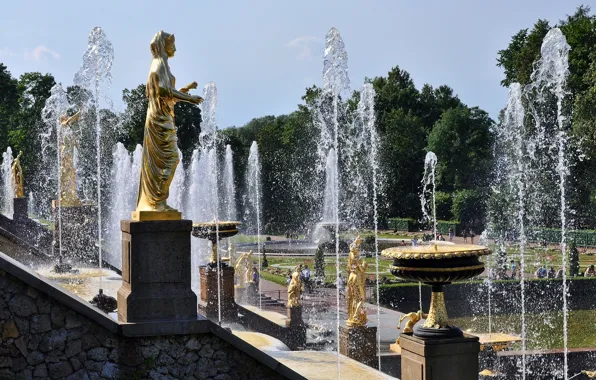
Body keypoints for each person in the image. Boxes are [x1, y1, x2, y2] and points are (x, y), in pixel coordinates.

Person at [136, 31, 204, 213]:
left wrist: (185, 89)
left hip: (164, 117)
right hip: (158, 121)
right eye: (172, 43)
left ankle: (158, 201)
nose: (175, 47)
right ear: (164, 45)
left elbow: (169, 95)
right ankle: (157, 201)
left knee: (169, 160)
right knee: (171, 159)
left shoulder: (163, 66)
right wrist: (189, 99)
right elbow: (164, 92)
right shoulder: (158, 65)